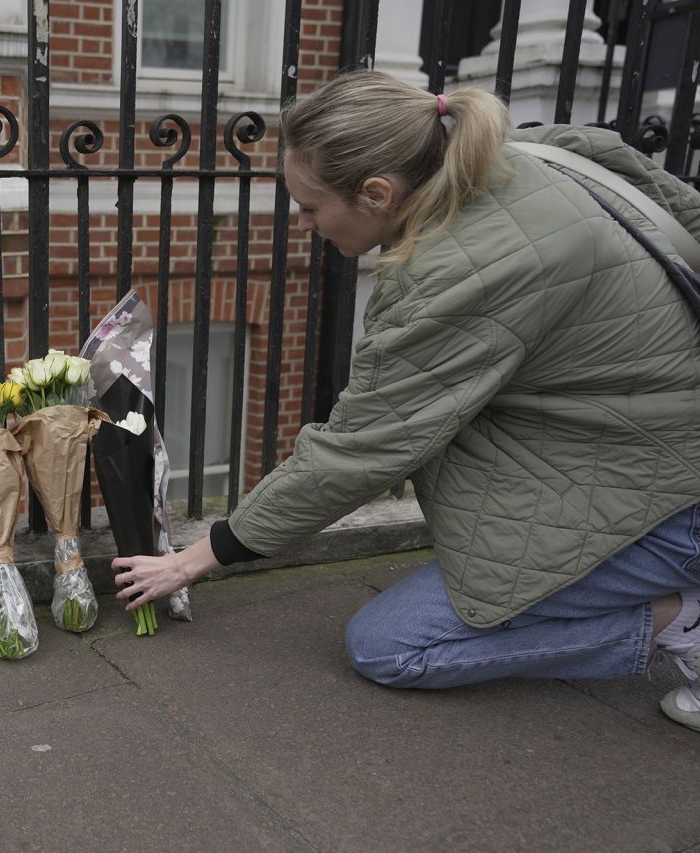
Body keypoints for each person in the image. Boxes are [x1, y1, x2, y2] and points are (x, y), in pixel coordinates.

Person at [112, 70, 700, 733]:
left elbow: (359, 449)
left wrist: (199, 555)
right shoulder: (533, 151)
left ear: (377, 193)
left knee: (392, 646)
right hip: (646, 448)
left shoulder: (455, 273)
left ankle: (682, 619)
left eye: (309, 208)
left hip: (671, 503)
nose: (302, 224)